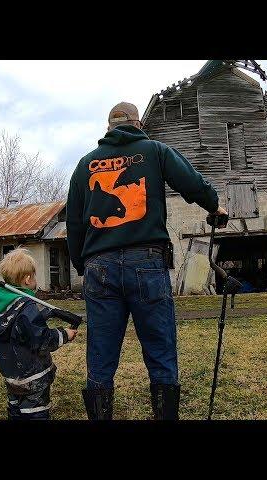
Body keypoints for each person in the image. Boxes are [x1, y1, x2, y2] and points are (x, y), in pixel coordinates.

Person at [66, 101, 227, 420]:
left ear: (108, 127)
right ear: (138, 124)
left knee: (101, 356)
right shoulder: (154, 150)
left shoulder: (85, 164)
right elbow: (192, 183)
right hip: (147, 263)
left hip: (99, 266)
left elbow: (74, 223)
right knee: (160, 351)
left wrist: (82, 265)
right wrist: (213, 205)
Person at [0, 248, 78, 420]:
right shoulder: (27, 307)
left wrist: (45, 314)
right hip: (32, 376)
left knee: (15, 408)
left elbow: (18, 327)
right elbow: (42, 339)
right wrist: (64, 334)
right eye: (34, 276)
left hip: (12, 375)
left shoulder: (2, 305)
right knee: (35, 412)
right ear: (28, 279)